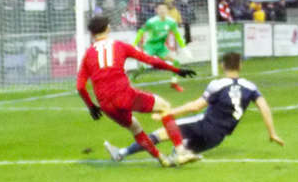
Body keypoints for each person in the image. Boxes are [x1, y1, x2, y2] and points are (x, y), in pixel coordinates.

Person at [104, 52, 284, 162]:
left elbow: (195, 107)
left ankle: (121, 153)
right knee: (182, 149)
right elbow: (265, 108)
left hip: (203, 125)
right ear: (240, 66)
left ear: (222, 65)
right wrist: (272, 133)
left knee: (162, 133)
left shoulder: (218, 84)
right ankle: (180, 153)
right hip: (217, 138)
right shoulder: (250, 87)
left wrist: (168, 113)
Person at [76, 16, 199, 167]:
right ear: (108, 28)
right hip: (124, 95)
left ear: (91, 34)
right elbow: (150, 60)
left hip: (105, 104)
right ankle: (181, 152)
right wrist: (176, 70)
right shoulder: (119, 45)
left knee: (135, 128)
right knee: (165, 107)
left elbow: (80, 87)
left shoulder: (87, 55)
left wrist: (91, 107)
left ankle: (162, 159)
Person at [132, 3, 192, 92]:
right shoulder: (151, 22)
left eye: (164, 9)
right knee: (144, 66)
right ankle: (132, 79)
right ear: (156, 11)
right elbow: (141, 31)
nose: (162, 11)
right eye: (160, 9)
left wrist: (184, 48)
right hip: (150, 47)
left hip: (161, 48)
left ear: (167, 11)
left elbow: (177, 35)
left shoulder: (171, 22)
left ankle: (174, 83)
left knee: (176, 62)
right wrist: (133, 45)